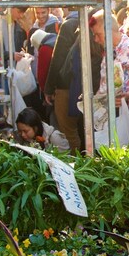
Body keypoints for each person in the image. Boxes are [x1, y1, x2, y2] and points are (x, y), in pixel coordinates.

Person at [89, 9, 129, 133]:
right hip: (115, 111)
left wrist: (127, 95)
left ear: (109, 31)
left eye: (98, 34)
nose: (95, 39)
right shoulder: (110, 50)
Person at [43, 10, 82, 151]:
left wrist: (49, 88)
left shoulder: (68, 25)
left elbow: (57, 58)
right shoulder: (94, 20)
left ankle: (77, 165)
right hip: (89, 86)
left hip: (67, 86)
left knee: (69, 131)